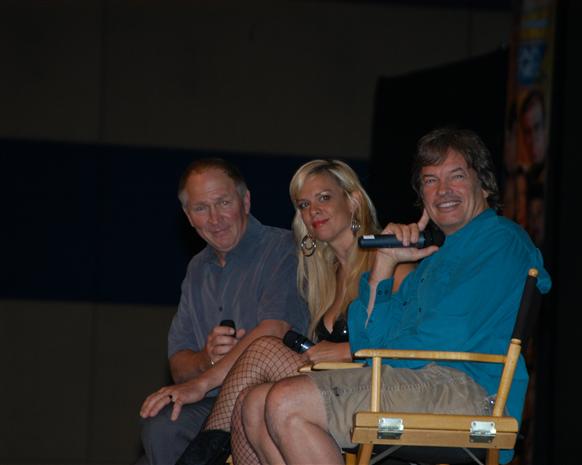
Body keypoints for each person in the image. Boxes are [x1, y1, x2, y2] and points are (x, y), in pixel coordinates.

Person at [240, 128, 552, 465]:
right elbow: (368, 339)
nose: (443, 190)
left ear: (485, 185)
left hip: (467, 389)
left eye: (457, 176)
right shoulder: (433, 260)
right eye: (430, 180)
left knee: (286, 401)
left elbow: (448, 334)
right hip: (420, 380)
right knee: (256, 403)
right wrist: (384, 265)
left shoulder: (500, 240)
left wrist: (377, 355)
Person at [174, 159, 413, 465]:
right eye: (304, 204)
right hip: (329, 390)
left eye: (324, 197)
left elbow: (416, 343)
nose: (313, 210)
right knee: (251, 400)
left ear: (353, 201)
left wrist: (347, 350)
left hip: (379, 393)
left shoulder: (393, 263)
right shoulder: (323, 279)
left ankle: (199, 456)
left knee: (264, 349)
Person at [137, 158, 308, 465]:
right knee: (162, 424)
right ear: (188, 216)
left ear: (245, 201)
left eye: (223, 203)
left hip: (269, 397)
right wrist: (206, 357)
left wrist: (202, 381)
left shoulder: (283, 248)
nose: (215, 218)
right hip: (210, 403)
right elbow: (178, 365)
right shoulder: (197, 269)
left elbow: (273, 330)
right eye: (201, 208)